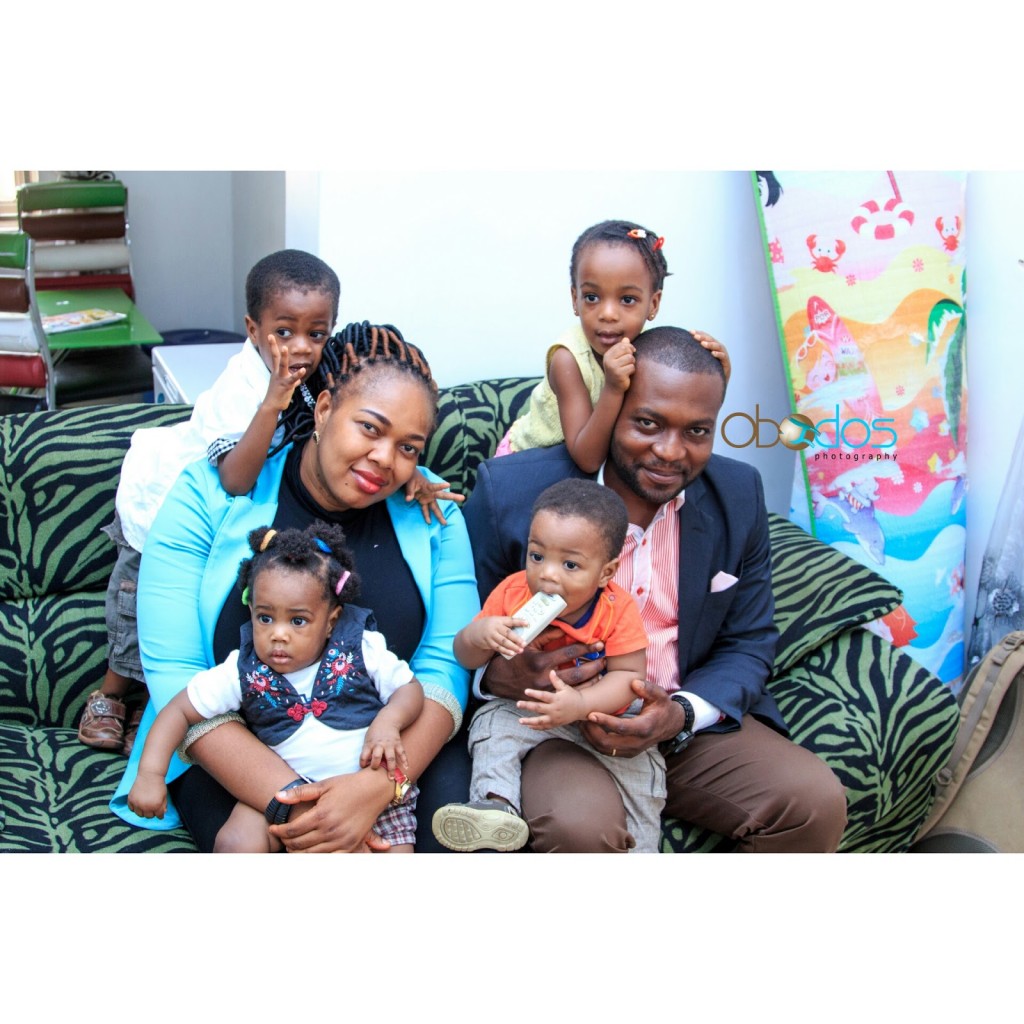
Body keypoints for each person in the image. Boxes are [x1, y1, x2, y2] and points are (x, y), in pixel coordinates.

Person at [464, 325, 848, 853]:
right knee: (582, 828)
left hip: (679, 722)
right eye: (647, 423)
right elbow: (454, 629)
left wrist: (680, 714)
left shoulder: (737, 493)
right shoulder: (512, 493)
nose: (670, 452)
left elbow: (749, 640)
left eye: (697, 431)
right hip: (556, 723)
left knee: (813, 801)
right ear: (611, 405)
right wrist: (496, 675)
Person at [109, 321, 479, 853]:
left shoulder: (434, 513)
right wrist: (306, 807)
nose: (385, 459)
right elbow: (175, 673)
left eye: (408, 447)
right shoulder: (206, 495)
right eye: (370, 428)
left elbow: (445, 668)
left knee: (457, 846)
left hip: (389, 750)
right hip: (234, 747)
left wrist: (378, 789)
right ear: (324, 410)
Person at [78, 248, 340, 754]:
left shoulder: (315, 369)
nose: (302, 348)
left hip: (221, 522)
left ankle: (155, 707)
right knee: (137, 610)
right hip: (164, 507)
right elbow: (236, 478)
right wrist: (273, 402)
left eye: (317, 333)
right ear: (253, 328)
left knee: (189, 617)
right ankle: (108, 695)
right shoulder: (239, 390)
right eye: (284, 332)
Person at [127, 522, 424, 853]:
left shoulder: (360, 648)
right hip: (283, 791)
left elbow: (409, 689)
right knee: (236, 841)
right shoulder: (244, 670)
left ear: (331, 621)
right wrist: (150, 773)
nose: (278, 634)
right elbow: (179, 711)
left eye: (298, 621)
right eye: (265, 618)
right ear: (251, 611)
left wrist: (389, 722)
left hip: (369, 795)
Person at [432, 478, 662, 853]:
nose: (547, 574)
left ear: (606, 573)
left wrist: (581, 704)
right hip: (530, 710)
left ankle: (645, 846)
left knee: (643, 773)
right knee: (493, 723)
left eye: (570, 564)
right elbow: (464, 656)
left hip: (602, 716)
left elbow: (629, 676)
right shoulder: (512, 592)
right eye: (537, 556)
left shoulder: (616, 608)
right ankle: (495, 806)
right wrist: (479, 636)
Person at [496, 219, 731, 473]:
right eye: (592, 297)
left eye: (627, 299)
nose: (607, 314)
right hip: (529, 465)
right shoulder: (567, 359)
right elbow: (587, 459)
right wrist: (612, 387)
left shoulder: (648, 352)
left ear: (653, 304)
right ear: (575, 299)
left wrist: (719, 377)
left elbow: (679, 410)